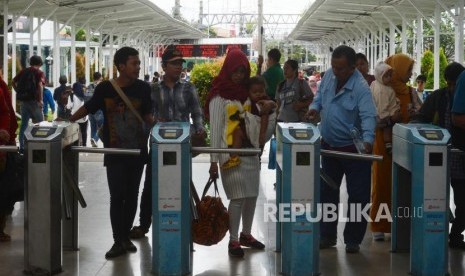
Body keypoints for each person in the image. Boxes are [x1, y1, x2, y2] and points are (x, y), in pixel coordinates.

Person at [68, 46, 154, 259]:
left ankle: (125, 237)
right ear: (121, 66)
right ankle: (118, 240)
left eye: (139, 63)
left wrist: (165, 128)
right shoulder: (106, 88)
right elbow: (89, 107)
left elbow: (148, 115)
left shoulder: (144, 88)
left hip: (137, 151)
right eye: (134, 63)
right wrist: (68, 121)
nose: (138, 67)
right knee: (117, 195)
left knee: (132, 195)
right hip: (114, 152)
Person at [129, 47, 206, 239]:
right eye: (174, 63)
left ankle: (186, 224)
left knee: (182, 183)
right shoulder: (153, 89)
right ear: (164, 66)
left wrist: (199, 128)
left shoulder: (189, 88)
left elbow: (196, 112)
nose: (179, 67)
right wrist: (153, 124)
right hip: (158, 145)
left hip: (182, 146)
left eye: (181, 63)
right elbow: (146, 115)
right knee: (150, 185)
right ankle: (144, 224)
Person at [306, 45, 376, 253]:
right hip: (329, 148)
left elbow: (368, 116)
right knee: (327, 193)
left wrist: (369, 141)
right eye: (333, 67)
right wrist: (313, 109)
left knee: (358, 195)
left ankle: (353, 239)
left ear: (353, 67)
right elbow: (319, 98)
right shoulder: (328, 76)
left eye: (341, 68)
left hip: (354, 151)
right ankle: (327, 235)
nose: (335, 72)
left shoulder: (361, 88)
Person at [206, 49, 266, 258]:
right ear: (228, 69)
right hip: (229, 155)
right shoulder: (218, 96)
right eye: (236, 71)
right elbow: (214, 130)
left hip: (250, 154)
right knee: (238, 197)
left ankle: (246, 235)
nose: (239, 75)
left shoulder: (248, 95)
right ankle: (233, 241)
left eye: (243, 71)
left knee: (251, 196)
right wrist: (213, 161)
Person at [415, 62, 465, 249]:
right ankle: (433, 234)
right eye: (451, 84)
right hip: (436, 159)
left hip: (460, 159)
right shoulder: (437, 97)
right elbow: (420, 119)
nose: (454, 89)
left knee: (462, 201)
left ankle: (456, 235)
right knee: (434, 199)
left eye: (456, 85)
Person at [370, 53, 414, 241]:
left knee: (404, 185)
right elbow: (374, 116)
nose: (411, 74)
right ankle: (379, 224)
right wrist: (390, 119)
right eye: (408, 70)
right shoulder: (379, 89)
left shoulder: (410, 92)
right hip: (383, 141)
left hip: (405, 142)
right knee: (382, 183)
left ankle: (402, 224)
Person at [221, 76, 276, 169]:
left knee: (238, 132)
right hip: (255, 128)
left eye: (261, 91)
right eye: (255, 92)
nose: (258, 94)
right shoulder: (251, 102)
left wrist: (262, 135)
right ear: (249, 92)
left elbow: (264, 117)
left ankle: (233, 157)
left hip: (260, 128)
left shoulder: (262, 102)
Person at [12, 55, 46, 152]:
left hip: (24, 102)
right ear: (40, 63)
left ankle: (22, 147)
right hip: (34, 102)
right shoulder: (39, 72)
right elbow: (40, 85)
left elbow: (13, 81)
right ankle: (40, 146)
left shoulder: (23, 71)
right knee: (41, 123)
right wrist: (40, 100)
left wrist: (18, 91)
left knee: (24, 124)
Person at [0, 70, 19, 242]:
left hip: (3, 147)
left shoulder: (2, 85)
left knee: (5, 188)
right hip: (4, 145)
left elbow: (6, 113)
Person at [370, 61, 400, 155]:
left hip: (382, 114)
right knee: (387, 129)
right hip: (386, 116)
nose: (389, 78)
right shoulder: (381, 90)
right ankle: (388, 145)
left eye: (390, 75)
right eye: (386, 76)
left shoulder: (376, 83)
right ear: (379, 76)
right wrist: (386, 119)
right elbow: (381, 105)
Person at [86, 72, 104, 147]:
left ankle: (93, 140)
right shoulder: (101, 86)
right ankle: (95, 139)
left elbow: (86, 97)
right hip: (99, 110)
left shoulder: (89, 86)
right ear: (100, 77)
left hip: (90, 110)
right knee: (102, 127)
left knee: (93, 127)